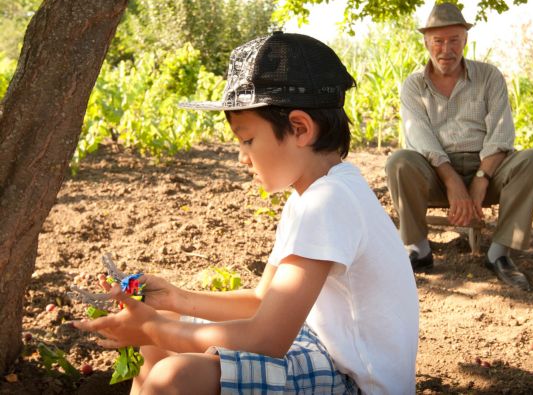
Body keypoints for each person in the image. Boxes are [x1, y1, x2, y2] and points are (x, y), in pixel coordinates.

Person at [74, 32, 419, 394]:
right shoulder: (311, 195)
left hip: (357, 383)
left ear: (300, 128)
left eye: (248, 140)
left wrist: (149, 328)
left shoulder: (329, 200)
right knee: (165, 324)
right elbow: (261, 300)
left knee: (174, 377)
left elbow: (268, 337)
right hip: (323, 348)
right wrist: (177, 299)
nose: (242, 157)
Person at [385, 3, 533, 292]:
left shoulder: (489, 76)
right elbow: (421, 139)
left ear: (465, 40)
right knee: (399, 161)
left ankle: (498, 254)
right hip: (435, 174)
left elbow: (501, 134)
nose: (446, 49)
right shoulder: (414, 86)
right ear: (426, 42)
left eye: (454, 40)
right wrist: (452, 183)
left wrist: (480, 180)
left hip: (489, 170)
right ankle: (420, 251)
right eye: (438, 41)